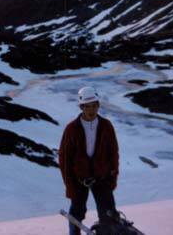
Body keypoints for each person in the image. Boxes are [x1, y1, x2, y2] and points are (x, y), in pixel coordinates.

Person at [59, 86, 119, 235]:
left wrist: (112, 177)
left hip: (102, 178)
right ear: (81, 107)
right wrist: (69, 185)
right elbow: (64, 159)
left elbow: (114, 153)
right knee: (76, 216)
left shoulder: (106, 126)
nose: (91, 110)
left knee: (108, 214)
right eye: (87, 106)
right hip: (79, 180)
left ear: (98, 105)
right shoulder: (71, 129)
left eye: (94, 106)